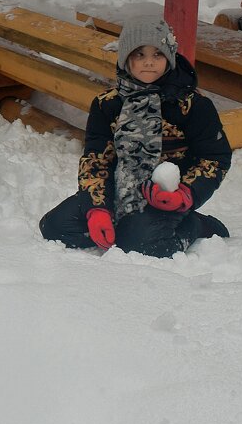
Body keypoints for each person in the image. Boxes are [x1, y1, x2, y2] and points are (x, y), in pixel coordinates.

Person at [39, 14, 231, 257]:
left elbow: (215, 158)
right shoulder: (107, 104)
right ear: (126, 58)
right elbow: (97, 158)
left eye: (157, 54)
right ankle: (126, 224)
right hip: (119, 191)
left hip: (167, 197)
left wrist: (185, 194)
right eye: (139, 54)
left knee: (140, 246)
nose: (148, 62)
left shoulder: (192, 105)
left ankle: (196, 225)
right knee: (55, 227)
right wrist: (97, 208)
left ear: (169, 57)